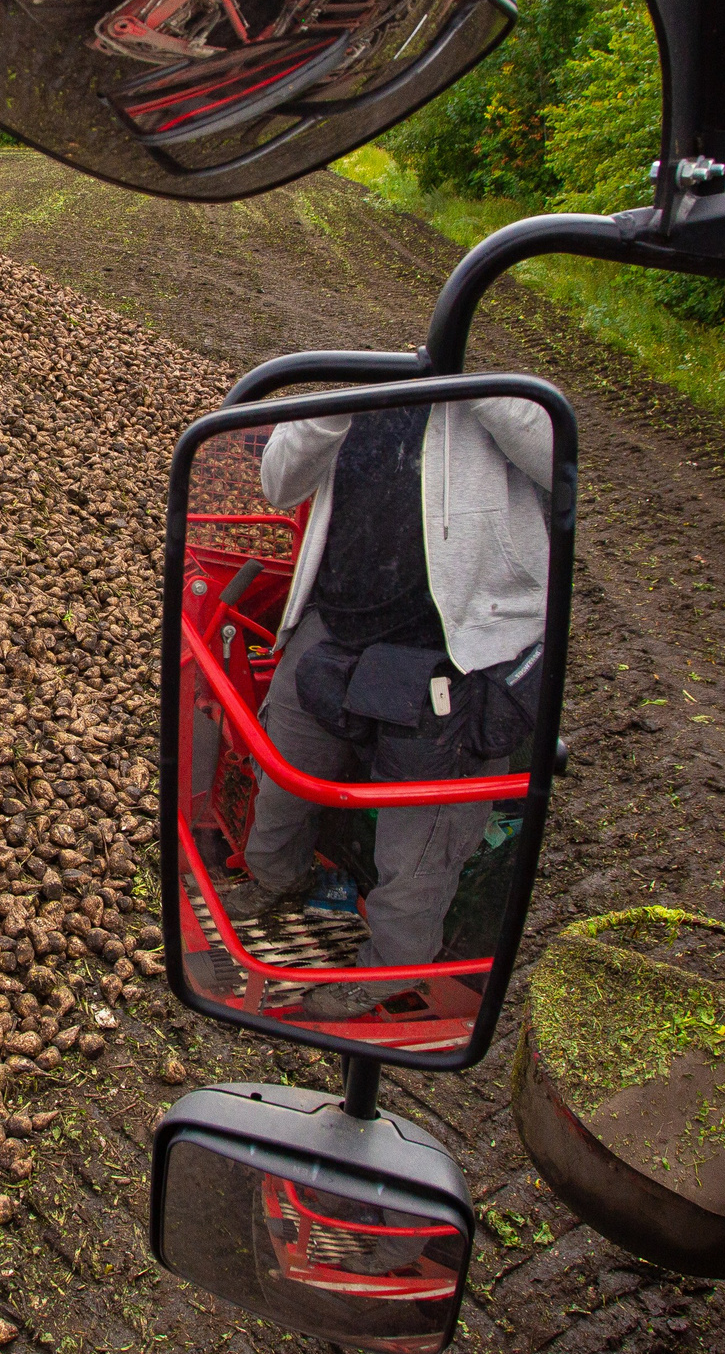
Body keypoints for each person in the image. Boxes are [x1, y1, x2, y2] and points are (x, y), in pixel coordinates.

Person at [218, 398, 552, 1017]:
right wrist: (341, 398)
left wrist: (471, 382)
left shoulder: (501, 398)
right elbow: (278, 483)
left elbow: (561, 461)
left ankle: (390, 967)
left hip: (455, 650)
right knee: (283, 761)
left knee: (422, 827)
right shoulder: (349, 388)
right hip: (338, 622)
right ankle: (277, 877)